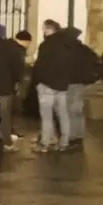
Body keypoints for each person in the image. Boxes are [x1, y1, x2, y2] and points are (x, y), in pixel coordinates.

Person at [32, 20, 73, 151]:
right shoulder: (67, 44)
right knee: (63, 114)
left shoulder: (46, 45)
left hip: (47, 85)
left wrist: (38, 80)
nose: (43, 31)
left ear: (49, 29)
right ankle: (64, 141)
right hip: (62, 85)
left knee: (46, 116)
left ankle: (46, 142)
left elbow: (41, 65)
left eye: (44, 29)